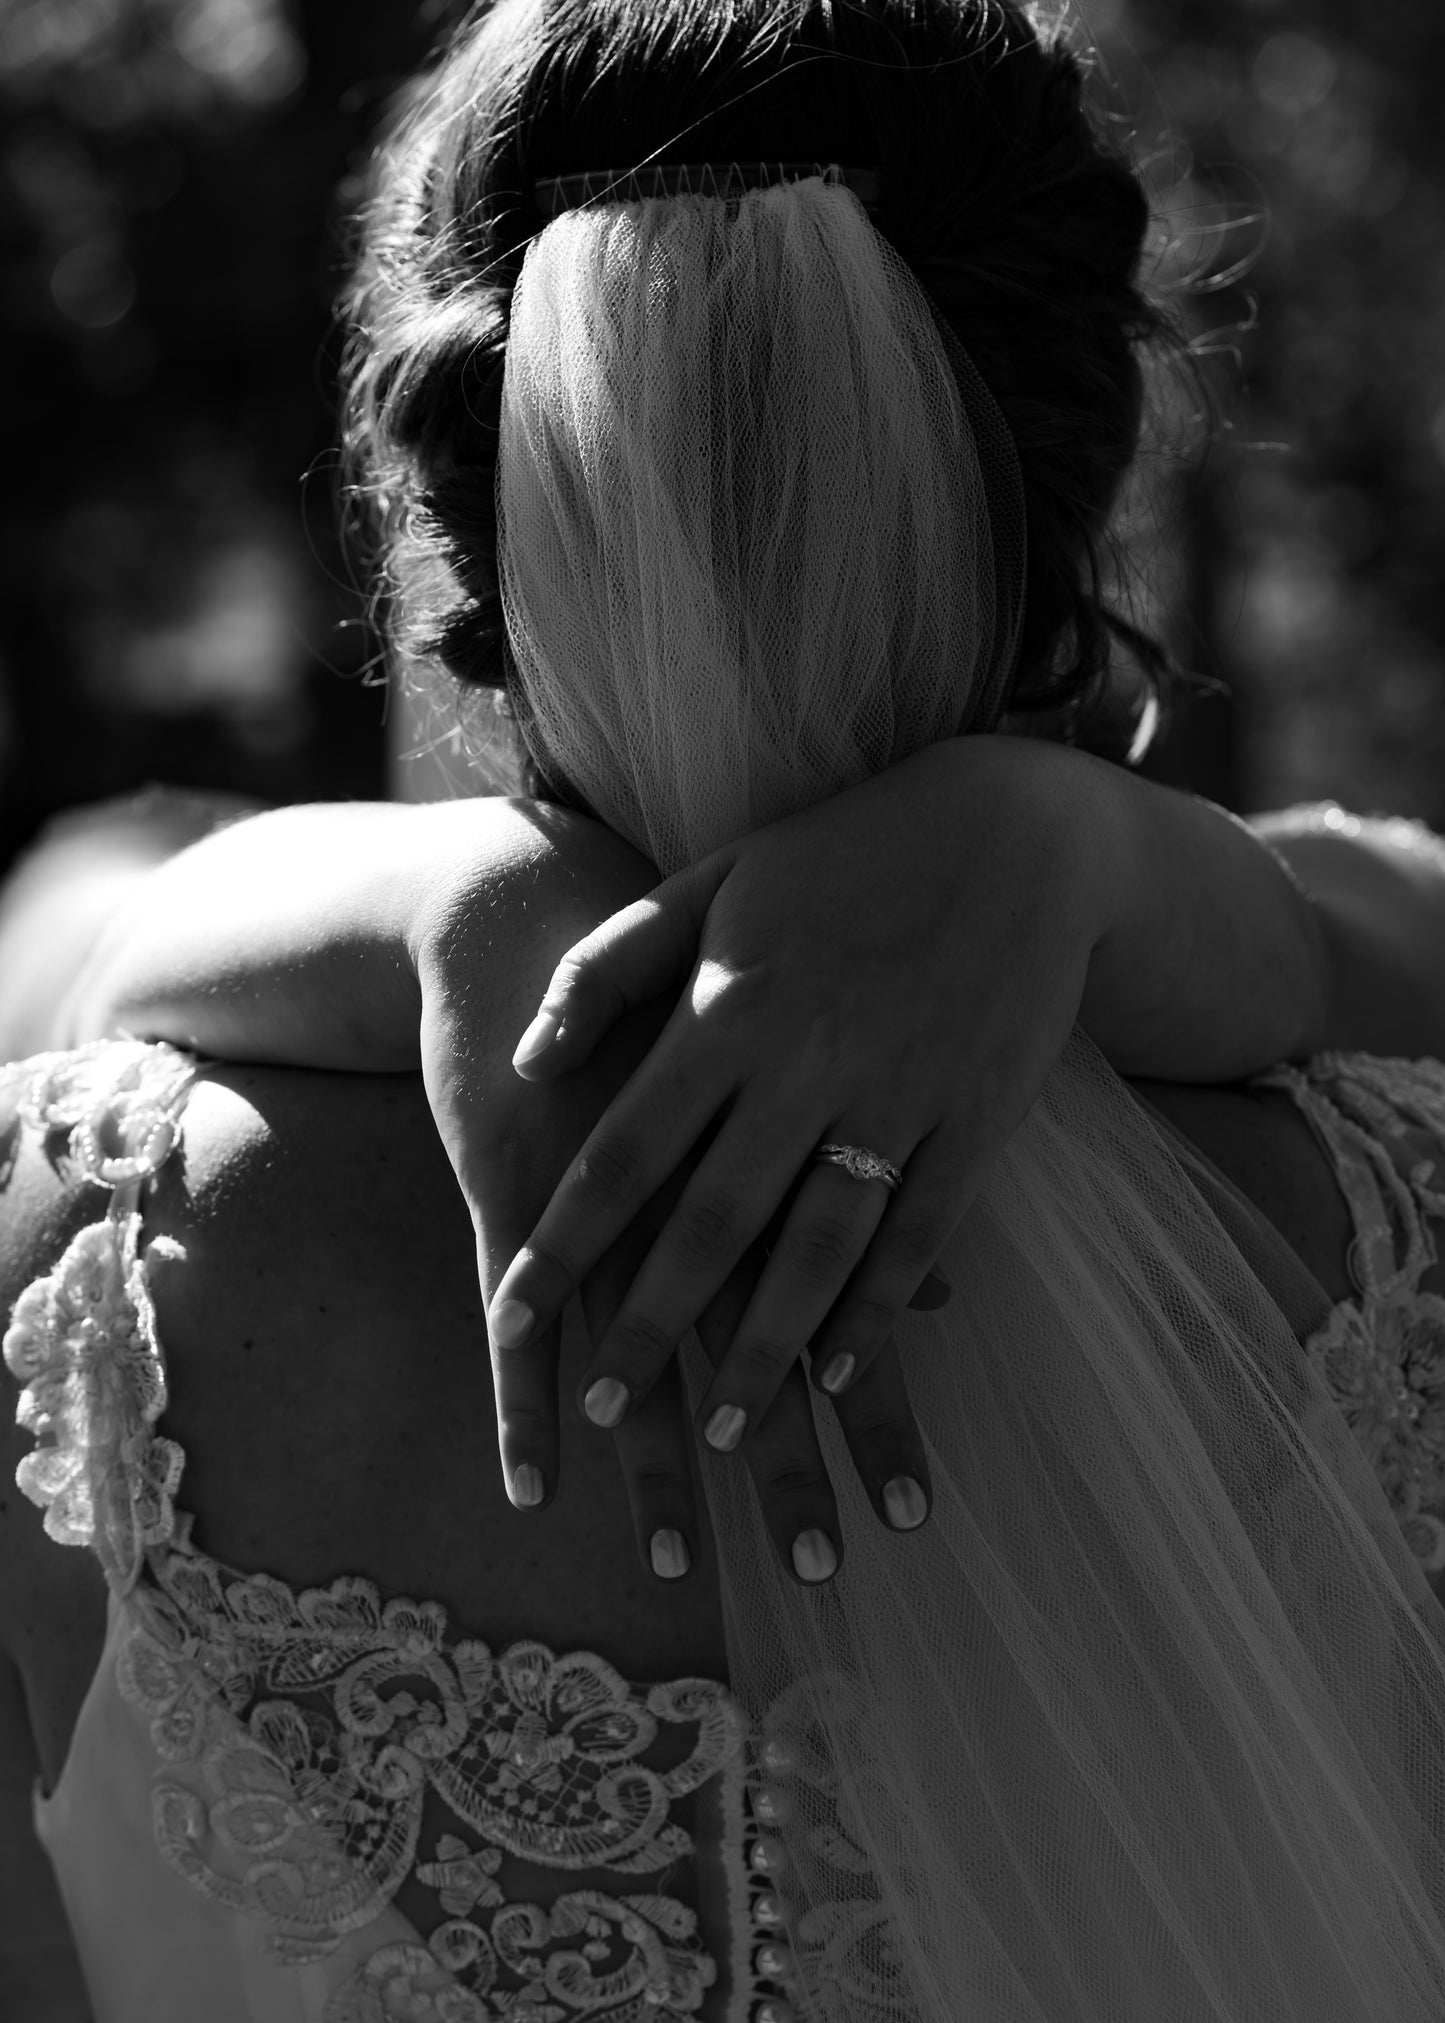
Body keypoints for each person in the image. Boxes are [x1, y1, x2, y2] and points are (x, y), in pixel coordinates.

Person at [7, 1, 1445, 2017]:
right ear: (1075, 453)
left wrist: (427, 892)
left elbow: (85, 954)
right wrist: (1089, 847)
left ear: (468, 501)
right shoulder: (1390, 1200)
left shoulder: (100, 1281)